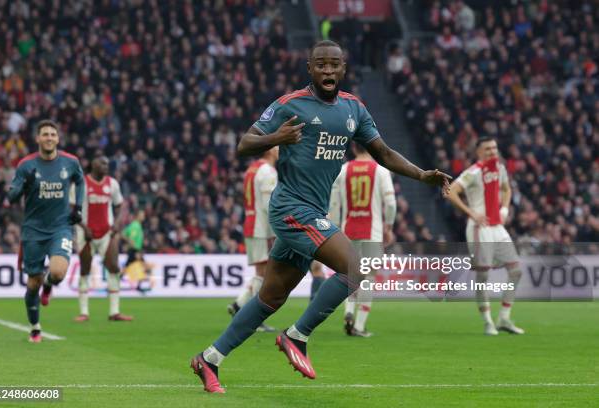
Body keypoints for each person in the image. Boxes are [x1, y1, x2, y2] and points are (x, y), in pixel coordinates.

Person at [191, 40, 451, 393]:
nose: (328, 71)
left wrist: (421, 175)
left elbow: (383, 153)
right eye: (321, 65)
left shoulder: (354, 109)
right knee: (357, 266)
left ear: (343, 68)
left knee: (270, 299)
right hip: (291, 208)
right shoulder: (290, 104)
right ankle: (296, 336)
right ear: (309, 68)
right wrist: (277, 136)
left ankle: (209, 359)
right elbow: (244, 144)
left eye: (334, 65)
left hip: (313, 211)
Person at [5, 120, 85, 343]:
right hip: (33, 231)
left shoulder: (70, 162)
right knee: (33, 282)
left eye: (52, 134)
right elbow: (11, 197)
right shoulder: (26, 165)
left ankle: (49, 285)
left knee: (58, 272)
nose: (49, 137)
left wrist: (77, 207)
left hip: (60, 227)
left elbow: (80, 181)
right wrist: (23, 184)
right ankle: (35, 326)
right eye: (45, 134)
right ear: (38, 139)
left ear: (58, 139)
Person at [447, 137, 524, 336]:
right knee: (483, 275)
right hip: (479, 228)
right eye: (488, 149)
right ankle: (488, 321)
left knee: (516, 270)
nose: (492, 152)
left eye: (494, 148)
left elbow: (507, 189)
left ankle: (504, 318)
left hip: (497, 227)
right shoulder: (473, 172)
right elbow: (450, 191)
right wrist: (471, 212)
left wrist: (505, 208)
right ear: (479, 152)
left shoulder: (499, 168)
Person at [330, 142, 396, 337]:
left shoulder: (343, 170)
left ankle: (349, 311)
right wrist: (389, 226)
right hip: (372, 232)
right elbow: (391, 203)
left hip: (347, 231)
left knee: (350, 275)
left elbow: (333, 203)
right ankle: (358, 326)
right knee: (369, 278)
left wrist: (333, 226)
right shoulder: (381, 171)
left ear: (353, 148)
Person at [74, 156, 132, 322]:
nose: (106, 166)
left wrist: (117, 223)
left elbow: (120, 204)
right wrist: (84, 228)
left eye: (107, 163)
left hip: (107, 232)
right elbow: (72, 208)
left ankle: (114, 312)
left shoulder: (112, 183)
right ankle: (84, 312)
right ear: (93, 164)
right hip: (85, 233)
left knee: (113, 267)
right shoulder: (82, 183)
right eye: (102, 163)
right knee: (85, 269)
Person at [228, 147, 278, 332]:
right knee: (263, 272)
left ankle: (239, 305)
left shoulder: (251, 169)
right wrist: (275, 231)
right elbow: (269, 205)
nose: (279, 149)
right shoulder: (268, 171)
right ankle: (255, 318)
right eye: (277, 146)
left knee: (261, 272)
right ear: (270, 150)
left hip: (251, 222)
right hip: (261, 226)